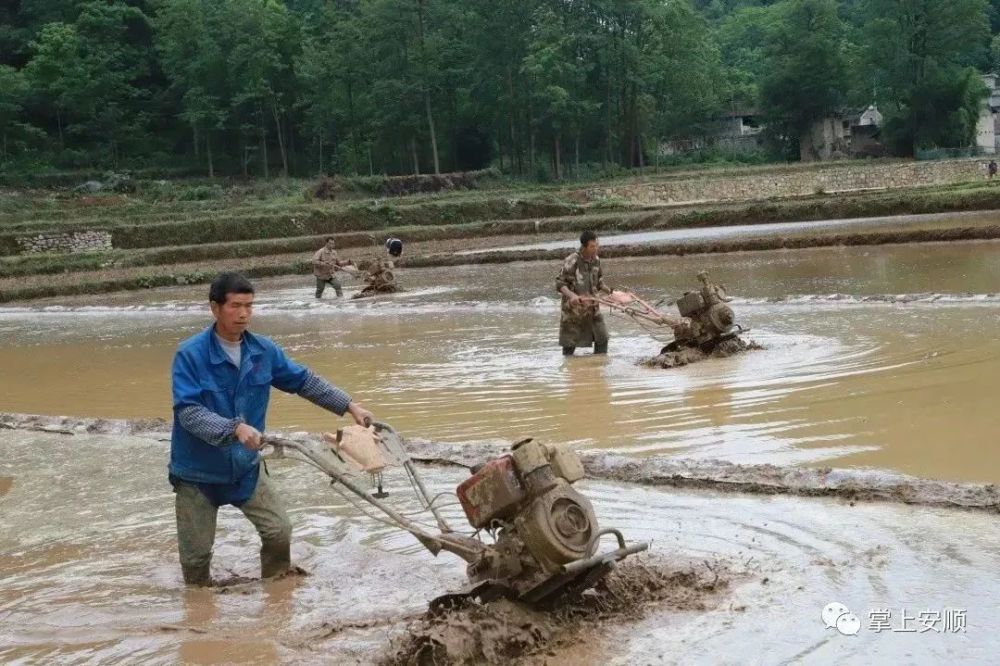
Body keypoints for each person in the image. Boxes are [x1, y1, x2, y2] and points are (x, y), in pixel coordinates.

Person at [170, 272, 374, 586]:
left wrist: (349, 406)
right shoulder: (190, 355)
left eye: (249, 306)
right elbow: (189, 412)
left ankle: (276, 594)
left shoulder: (262, 351)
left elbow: (304, 381)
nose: (243, 314)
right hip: (198, 473)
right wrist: (235, 428)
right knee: (196, 560)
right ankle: (199, 609)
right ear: (215, 308)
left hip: (245, 466)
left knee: (279, 531)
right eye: (235, 306)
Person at [556, 230, 612, 356]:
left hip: (593, 309)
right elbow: (560, 284)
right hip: (574, 312)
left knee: (602, 338)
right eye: (592, 246)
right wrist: (572, 296)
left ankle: (596, 368)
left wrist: (612, 293)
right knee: (569, 346)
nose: (595, 248)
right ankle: (570, 370)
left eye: (597, 245)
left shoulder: (596, 260)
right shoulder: (572, 260)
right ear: (584, 246)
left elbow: (599, 283)